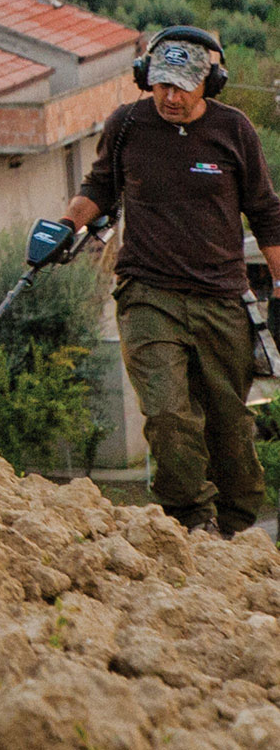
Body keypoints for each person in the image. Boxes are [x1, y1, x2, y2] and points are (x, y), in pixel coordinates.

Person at [62, 28, 280, 536]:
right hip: (147, 292)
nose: (171, 97)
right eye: (161, 85)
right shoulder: (128, 125)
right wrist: (64, 225)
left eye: (182, 86)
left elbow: (266, 212)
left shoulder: (234, 130)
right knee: (167, 415)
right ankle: (187, 521)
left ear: (211, 82)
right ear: (146, 80)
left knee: (229, 427)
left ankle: (232, 528)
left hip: (221, 299)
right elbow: (99, 185)